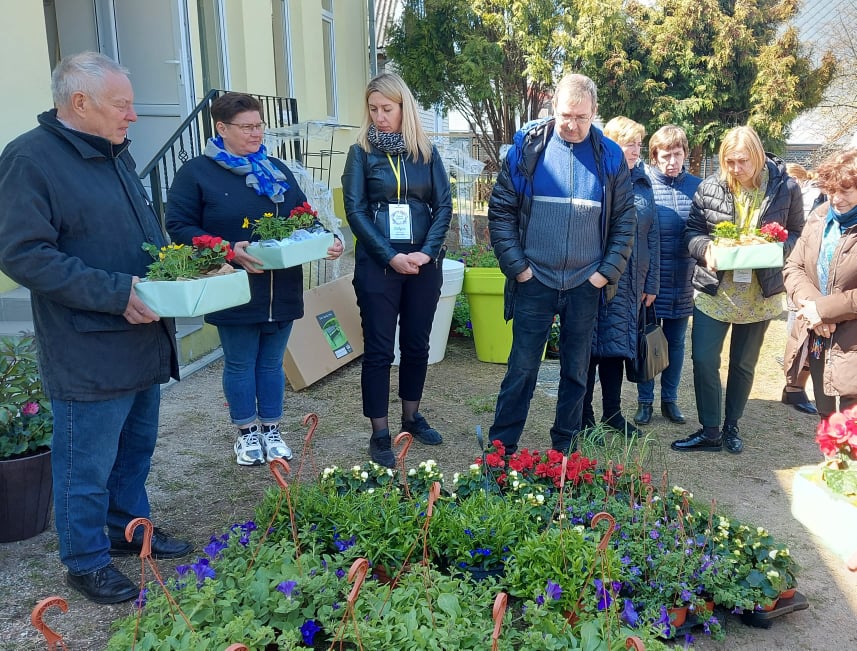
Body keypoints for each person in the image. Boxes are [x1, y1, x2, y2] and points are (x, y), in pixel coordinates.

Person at [0, 52, 191, 604]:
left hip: (141, 334)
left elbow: (140, 241)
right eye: (122, 105)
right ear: (78, 103)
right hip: (87, 344)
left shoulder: (114, 155)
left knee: (136, 447)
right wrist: (114, 293)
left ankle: (126, 528)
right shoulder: (30, 160)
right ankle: (84, 561)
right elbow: (23, 254)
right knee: (86, 461)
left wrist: (189, 270)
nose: (133, 116)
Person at [167, 92, 343, 466]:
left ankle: (271, 429)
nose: (256, 133)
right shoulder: (197, 173)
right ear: (221, 128)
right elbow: (179, 226)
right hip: (233, 286)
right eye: (246, 127)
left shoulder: (275, 169)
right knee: (240, 363)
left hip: (281, 287)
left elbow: (302, 213)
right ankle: (246, 434)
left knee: (271, 364)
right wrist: (228, 249)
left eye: (259, 125)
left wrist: (329, 238)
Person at [487, 73, 636, 455]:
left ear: (594, 113)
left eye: (581, 117)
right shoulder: (527, 149)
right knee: (521, 369)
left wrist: (605, 274)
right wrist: (518, 268)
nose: (572, 125)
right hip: (534, 281)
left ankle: (564, 451)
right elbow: (501, 211)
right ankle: (501, 448)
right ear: (554, 108)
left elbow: (624, 221)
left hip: (586, 286)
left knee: (575, 372)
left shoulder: (611, 157)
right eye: (566, 115)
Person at [341, 73, 452, 468]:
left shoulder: (427, 153)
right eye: (373, 110)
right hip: (378, 267)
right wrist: (389, 255)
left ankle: (411, 416)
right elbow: (354, 210)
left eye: (386, 109)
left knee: (417, 345)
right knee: (378, 350)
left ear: (404, 108)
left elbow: (444, 207)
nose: (379, 117)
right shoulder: (361, 153)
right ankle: (380, 432)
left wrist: (426, 253)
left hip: (423, 266)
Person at [674, 126, 804, 454]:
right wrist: (705, 250)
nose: (735, 169)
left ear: (758, 157)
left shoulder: (786, 188)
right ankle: (710, 429)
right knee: (703, 359)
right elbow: (692, 231)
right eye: (729, 161)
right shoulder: (710, 187)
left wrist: (776, 249)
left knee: (743, 364)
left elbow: (797, 232)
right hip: (715, 291)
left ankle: (732, 425)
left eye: (742, 161)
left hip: (760, 293)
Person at [582, 116, 659, 437]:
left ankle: (612, 413)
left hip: (631, 285)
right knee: (588, 351)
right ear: (613, 143)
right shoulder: (598, 176)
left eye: (639, 144)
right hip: (598, 277)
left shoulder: (641, 180)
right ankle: (583, 416)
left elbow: (650, 233)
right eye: (630, 143)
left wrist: (650, 282)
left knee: (616, 349)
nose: (636, 149)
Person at [634, 125, 702, 426]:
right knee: (648, 341)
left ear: (685, 154)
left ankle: (669, 400)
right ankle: (645, 401)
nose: (672, 161)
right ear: (654, 157)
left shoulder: (697, 187)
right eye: (665, 155)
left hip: (683, 281)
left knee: (676, 343)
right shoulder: (645, 185)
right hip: (650, 282)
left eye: (677, 154)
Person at [784, 148, 857, 418]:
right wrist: (815, 309)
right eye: (831, 190)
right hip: (818, 337)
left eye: (846, 191)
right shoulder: (819, 216)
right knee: (827, 418)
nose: (836, 199)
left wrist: (824, 310)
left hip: (852, 341)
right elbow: (794, 266)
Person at [779, 162, 819, 415]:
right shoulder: (820, 211)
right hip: (810, 286)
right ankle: (794, 387)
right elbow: (798, 255)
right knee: (802, 336)